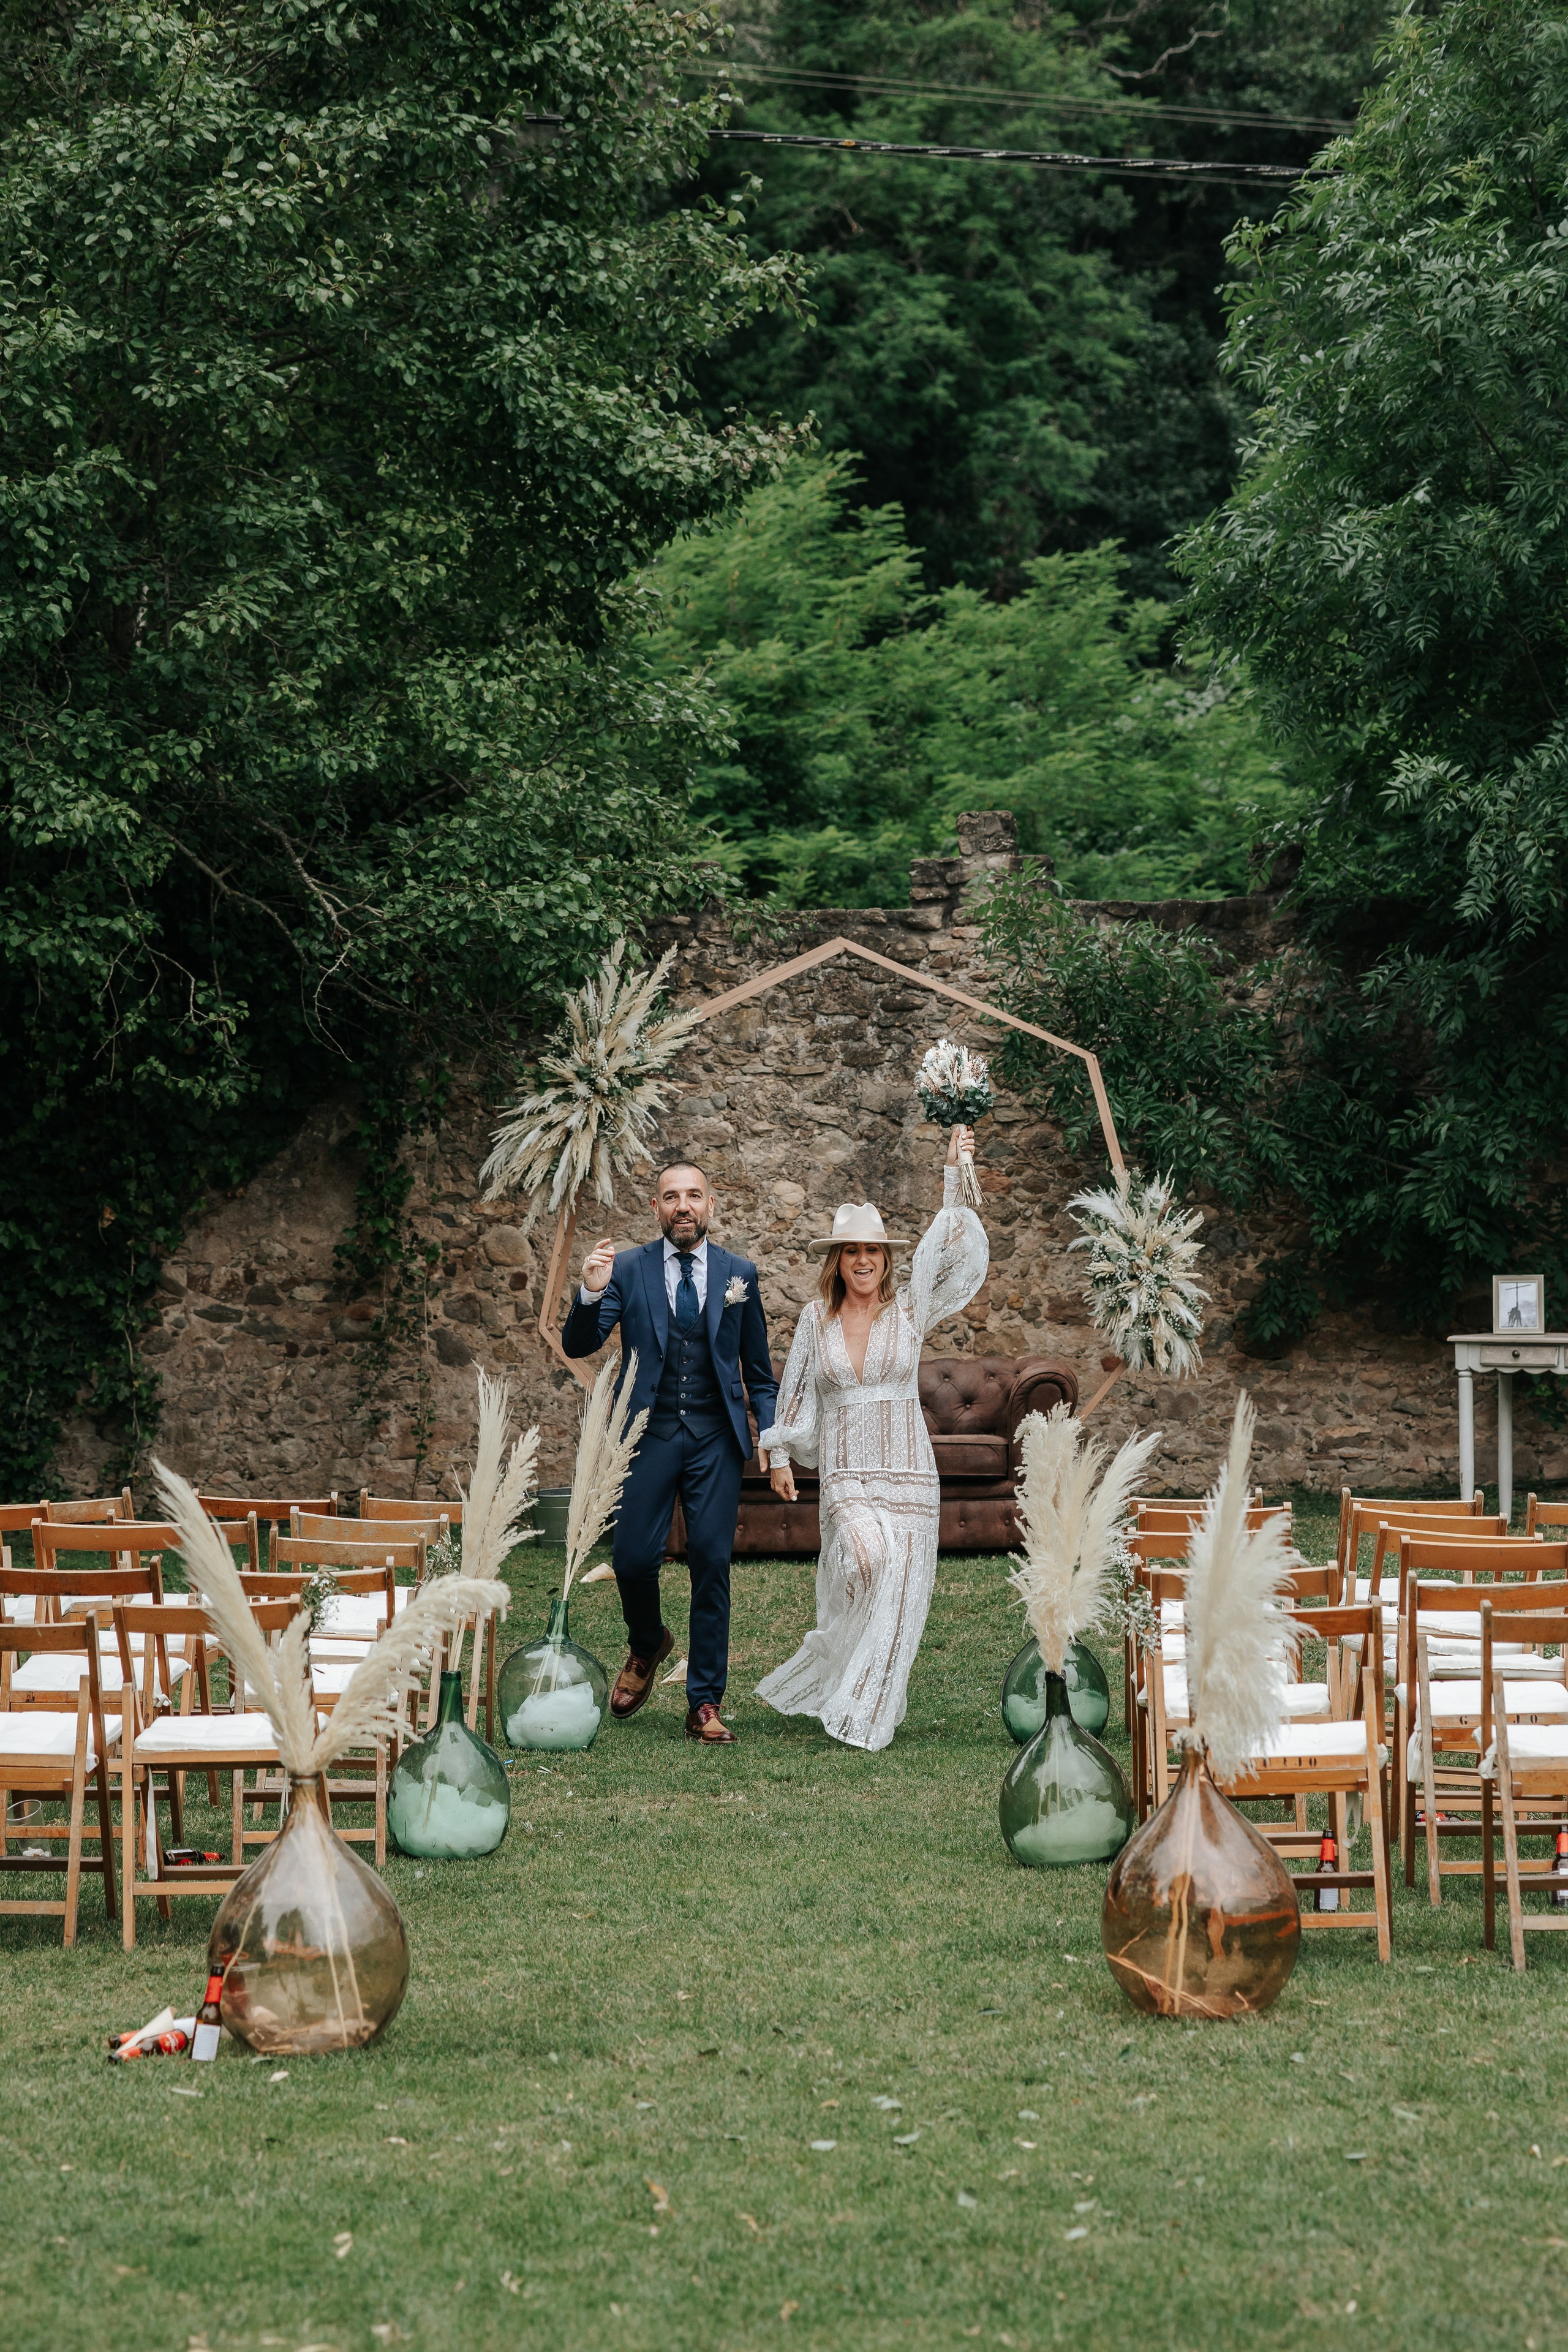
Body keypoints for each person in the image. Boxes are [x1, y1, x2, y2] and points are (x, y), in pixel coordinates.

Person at [755, 1126, 987, 1751]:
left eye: (874, 1251)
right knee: (862, 1561)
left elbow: (950, 1255)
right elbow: (796, 1389)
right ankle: (840, 1666)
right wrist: (780, 1453)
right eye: (851, 1250)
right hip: (847, 1471)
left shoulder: (910, 1309)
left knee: (901, 1591)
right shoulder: (815, 1318)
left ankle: (865, 1704)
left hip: (908, 1471)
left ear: (886, 1260)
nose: (863, 1260)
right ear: (837, 1261)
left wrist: (952, 1174)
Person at [562, 1161, 777, 1744]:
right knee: (632, 1560)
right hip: (647, 1433)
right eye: (671, 1197)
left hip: (714, 1436)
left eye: (694, 1196)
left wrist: (772, 1438)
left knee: (711, 1563)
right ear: (656, 1208)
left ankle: (704, 1702)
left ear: (711, 1205)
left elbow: (760, 1373)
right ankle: (648, 1641)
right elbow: (579, 1343)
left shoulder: (740, 1274)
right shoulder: (628, 1269)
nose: (683, 1206)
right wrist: (591, 1290)